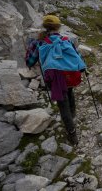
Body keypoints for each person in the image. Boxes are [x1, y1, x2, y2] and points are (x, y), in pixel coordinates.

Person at [25, 15, 84, 145]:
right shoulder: (66, 40)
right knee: (69, 92)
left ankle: (72, 134)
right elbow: (78, 57)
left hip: (55, 77)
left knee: (62, 104)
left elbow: (30, 61)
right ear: (59, 27)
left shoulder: (39, 42)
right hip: (70, 73)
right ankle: (72, 116)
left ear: (44, 27)